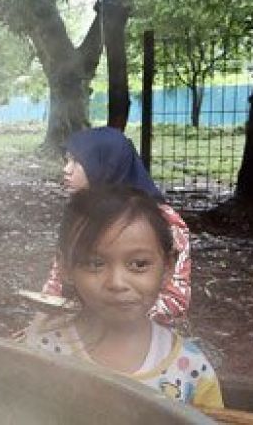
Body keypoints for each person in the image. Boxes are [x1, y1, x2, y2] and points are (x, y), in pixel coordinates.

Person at [19, 185, 222, 409]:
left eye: (139, 264)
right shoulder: (41, 351)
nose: (117, 283)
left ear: (167, 268)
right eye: (95, 264)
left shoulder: (191, 371)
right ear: (65, 267)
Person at [43, 127, 191, 324]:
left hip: (140, 338)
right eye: (67, 160)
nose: (66, 169)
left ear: (107, 164)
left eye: (77, 161)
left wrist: (100, 315)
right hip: (76, 330)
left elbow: (175, 300)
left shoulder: (161, 221)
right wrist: (45, 319)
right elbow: (57, 280)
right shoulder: (80, 217)